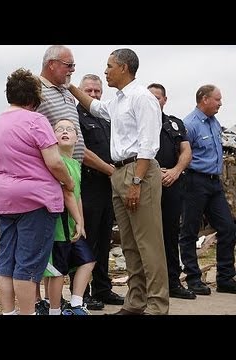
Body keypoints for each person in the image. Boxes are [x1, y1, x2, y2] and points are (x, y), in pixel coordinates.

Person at [68, 48, 169, 315]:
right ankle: (136, 302)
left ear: (124, 68)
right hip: (120, 172)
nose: (105, 71)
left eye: (109, 66)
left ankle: (158, 305)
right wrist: (68, 86)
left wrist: (136, 181)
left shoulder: (142, 98)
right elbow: (97, 108)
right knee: (130, 244)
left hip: (139, 171)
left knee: (149, 244)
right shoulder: (120, 100)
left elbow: (148, 145)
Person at [0, 68, 76, 315]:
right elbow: (55, 162)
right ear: (34, 98)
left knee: (6, 262)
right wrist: (68, 183)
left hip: (3, 198)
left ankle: (9, 313)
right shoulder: (36, 121)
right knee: (27, 265)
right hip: (34, 200)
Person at [34, 45, 115, 314]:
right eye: (69, 65)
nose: (72, 70)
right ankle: (42, 303)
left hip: (75, 173)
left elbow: (78, 141)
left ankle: (72, 299)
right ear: (51, 64)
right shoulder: (37, 90)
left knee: (76, 242)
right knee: (50, 248)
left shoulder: (68, 94)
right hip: (53, 177)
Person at [72, 74, 124, 309]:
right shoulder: (75, 117)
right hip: (88, 186)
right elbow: (80, 150)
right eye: (89, 91)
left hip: (107, 188)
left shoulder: (105, 119)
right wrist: (109, 170)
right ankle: (80, 293)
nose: (93, 95)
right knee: (86, 241)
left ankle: (103, 288)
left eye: (97, 92)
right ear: (80, 91)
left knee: (104, 241)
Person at [179, 84, 236, 295]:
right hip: (195, 182)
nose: (221, 103)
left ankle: (225, 278)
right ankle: (193, 278)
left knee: (228, 228)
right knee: (190, 231)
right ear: (204, 99)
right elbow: (183, 154)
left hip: (214, 183)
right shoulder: (190, 124)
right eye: (217, 99)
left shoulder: (214, 122)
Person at [147, 83, 195, 300]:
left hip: (172, 184)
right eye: (150, 97)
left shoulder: (174, 124)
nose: (154, 101)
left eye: (158, 97)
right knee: (147, 238)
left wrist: (175, 171)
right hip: (147, 184)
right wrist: (154, 173)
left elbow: (186, 151)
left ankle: (173, 282)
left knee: (170, 234)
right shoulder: (139, 122)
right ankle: (147, 287)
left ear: (164, 100)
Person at [44, 119, 92, 316]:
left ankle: (76, 303)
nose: (65, 132)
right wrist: (76, 220)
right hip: (59, 223)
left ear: (77, 137)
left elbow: (77, 195)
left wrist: (81, 222)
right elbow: (66, 194)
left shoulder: (75, 164)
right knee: (56, 272)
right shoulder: (57, 163)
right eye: (59, 129)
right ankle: (53, 309)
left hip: (73, 224)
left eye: (69, 129)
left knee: (87, 260)